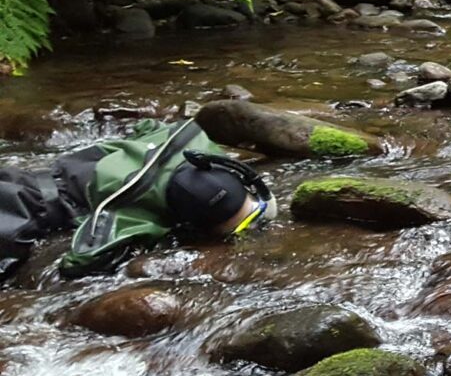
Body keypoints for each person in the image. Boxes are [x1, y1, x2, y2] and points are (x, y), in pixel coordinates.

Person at [0, 117, 273, 282]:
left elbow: (148, 125)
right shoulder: (135, 215)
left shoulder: (189, 141)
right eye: (243, 223)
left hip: (36, 174)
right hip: (24, 209)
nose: (249, 227)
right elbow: (78, 263)